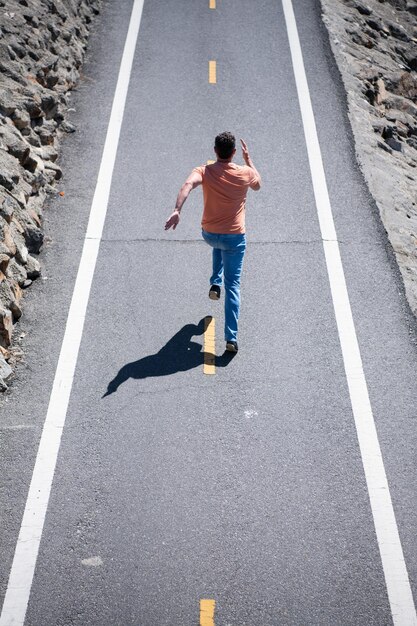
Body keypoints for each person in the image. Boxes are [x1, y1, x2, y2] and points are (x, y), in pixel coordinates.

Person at [164, 131, 261, 353]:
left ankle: (215, 283)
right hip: (235, 237)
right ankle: (231, 338)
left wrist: (177, 210)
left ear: (215, 151)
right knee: (233, 286)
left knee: (218, 243)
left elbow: (187, 184)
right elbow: (258, 185)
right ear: (234, 152)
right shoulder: (245, 173)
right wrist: (249, 161)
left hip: (209, 234)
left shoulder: (204, 171)